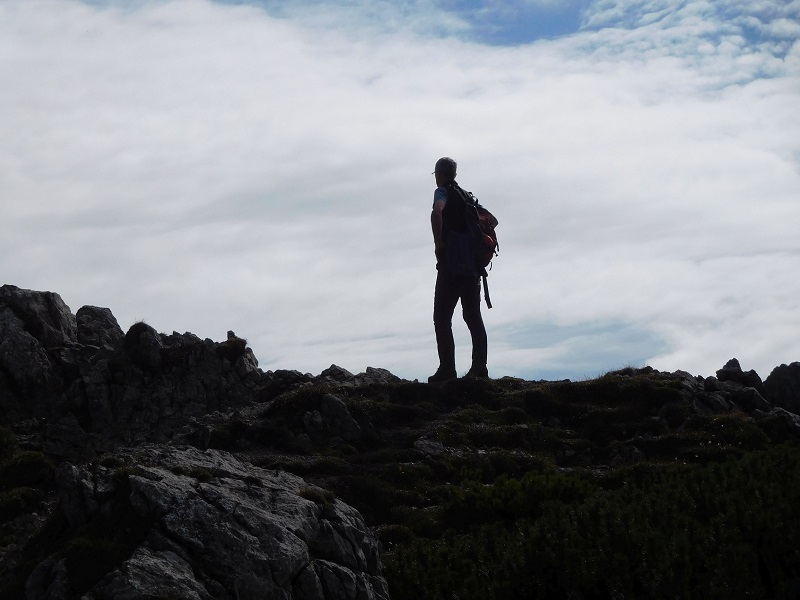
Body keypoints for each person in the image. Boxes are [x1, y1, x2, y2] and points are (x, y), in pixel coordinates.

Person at [428, 157, 488, 383]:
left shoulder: (442, 192)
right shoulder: (467, 197)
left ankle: (447, 369)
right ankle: (479, 367)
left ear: (439, 174)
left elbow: (437, 213)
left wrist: (439, 245)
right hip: (472, 267)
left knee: (442, 317)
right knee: (473, 316)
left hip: (451, 266)